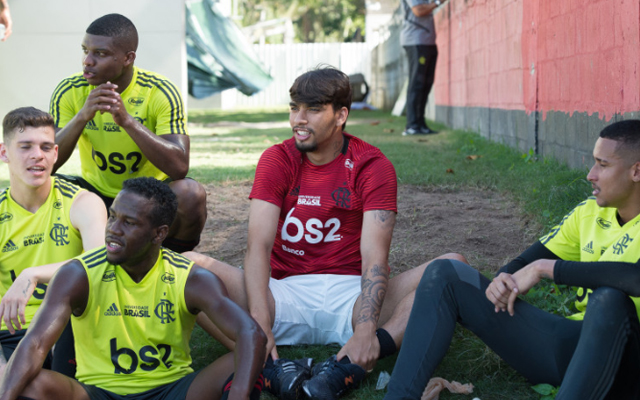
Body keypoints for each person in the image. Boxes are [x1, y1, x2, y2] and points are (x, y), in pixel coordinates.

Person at [186, 66, 466, 400]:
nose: (298, 120)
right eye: (294, 108)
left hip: (351, 296)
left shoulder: (372, 165)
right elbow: (257, 247)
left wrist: (365, 329)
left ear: (341, 115)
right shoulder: (277, 158)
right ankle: (266, 363)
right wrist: (260, 320)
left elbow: (375, 257)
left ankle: (353, 364)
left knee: (453, 265)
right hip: (282, 292)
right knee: (187, 266)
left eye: (313, 109)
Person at [385, 119, 640, 400]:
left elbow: (634, 278)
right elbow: (522, 264)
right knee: (445, 273)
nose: (591, 174)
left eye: (602, 165)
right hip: (571, 346)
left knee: (609, 301)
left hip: (626, 360)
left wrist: (546, 269)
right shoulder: (589, 212)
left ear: (636, 171)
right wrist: (505, 279)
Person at [0, 177, 267, 400]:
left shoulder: (191, 278)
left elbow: (251, 333)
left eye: (129, 223)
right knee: (23, 380)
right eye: (113, 217)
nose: (113, 230)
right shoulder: (77, 273)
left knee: (242, 364)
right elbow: (34, 344)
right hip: (96, 393)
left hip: (171, 390)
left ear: (159, 233)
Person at [49, 13, 206, 253]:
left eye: (100, 54)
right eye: (85, 51)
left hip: (146, 196)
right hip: (93, 194)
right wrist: (82, 116)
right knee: (41, 185)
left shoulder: (160, 91)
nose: (87, 61)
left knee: (190, 193)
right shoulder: (69, 90)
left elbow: (179, 166)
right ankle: (75, 256)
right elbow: (47, 163)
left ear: (128, 58)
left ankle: (176, 261)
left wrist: (127, 122)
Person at [0, 107, 106, 377]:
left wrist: (33, 274)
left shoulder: (82, 202)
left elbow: (101, 263)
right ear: (4, 153)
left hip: (68, 326)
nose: (38, 155)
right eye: (25, 147)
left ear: (55, 154)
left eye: (46, 147)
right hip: (11, 333)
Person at [400, 0, 443, 136]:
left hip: (428, 41)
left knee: (426, 84)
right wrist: (437, 2)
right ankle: (412, 125)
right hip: (416, 41)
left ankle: (420, 124)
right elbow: (418, 11)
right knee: (417, 83)